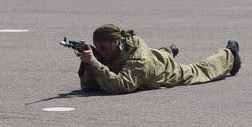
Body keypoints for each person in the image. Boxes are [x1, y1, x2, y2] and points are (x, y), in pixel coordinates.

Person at [76, 24, 241, 95]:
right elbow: (88, 87)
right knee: (157, 54)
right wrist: (88, 64)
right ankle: (168, 51)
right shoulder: (110, 51)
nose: (100, 51)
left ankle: (230, 55)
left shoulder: (138, 58)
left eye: (103, 47)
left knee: (198, 71)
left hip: (164, 71)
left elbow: (120, 86)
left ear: (116, 43)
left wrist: (95, 64)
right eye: (97, 47)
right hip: (153, 58)